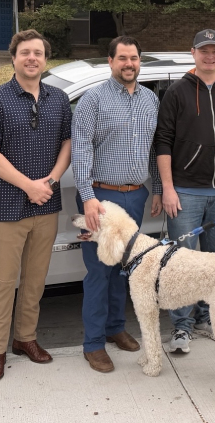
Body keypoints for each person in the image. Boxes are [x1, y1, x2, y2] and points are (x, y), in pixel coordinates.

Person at [0, 29, 72, 381]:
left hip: (46, 205)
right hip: (6, 207)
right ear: (13, 57)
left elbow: (67, 144)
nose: (32, 58)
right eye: (25, 52)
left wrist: (51, 182)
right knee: (3, 282)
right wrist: (29, 186)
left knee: (35, 281)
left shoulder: (59, 99)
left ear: (46, 59)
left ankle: (24, 339)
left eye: (38, 53)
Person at [155, 29, 215, 354]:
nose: (210, 56)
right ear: (193, 53)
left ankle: (206, 319)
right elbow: (163, 141)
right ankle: (181, 328)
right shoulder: (177, 92)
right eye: (204, 51)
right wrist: (167, 188)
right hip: (185, 191)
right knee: (182, 263)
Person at [72, 36, 163, 373]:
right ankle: (93, 343)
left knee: (124, 268)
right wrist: (88, 198)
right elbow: (81, 151)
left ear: (140, 62)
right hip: (100, 198)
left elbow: (153, 149)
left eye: (134, 58)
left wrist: (154, 188)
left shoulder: (150, 100)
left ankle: (115, 328)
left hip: (135, 195)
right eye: (122, 58)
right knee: (98, 271)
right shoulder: (92, 100)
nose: (129, 64)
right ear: (110, 62)